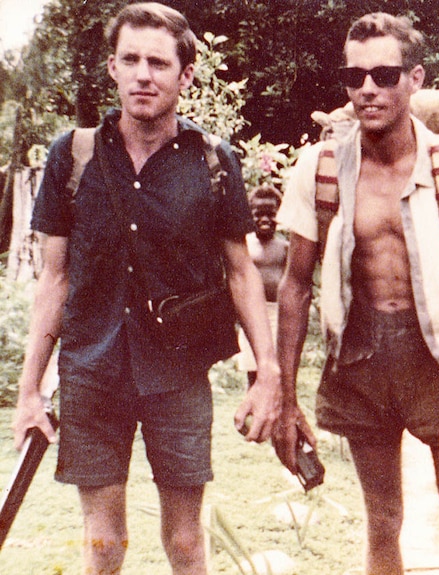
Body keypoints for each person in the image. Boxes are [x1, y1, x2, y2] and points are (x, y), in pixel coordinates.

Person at [12, 4, 282, 574]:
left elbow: (241, 273)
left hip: (179, 374)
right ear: (111, 68)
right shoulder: (73, 155)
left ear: (185, 75)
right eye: (130, 59)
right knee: (103, 545)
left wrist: (269, 373)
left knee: (186, 543)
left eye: (158, 63)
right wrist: (29, 389)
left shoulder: (213, 161)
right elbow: (54, 279)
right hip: (91, 370)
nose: (143, 74)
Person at [273, 12, 439, 575]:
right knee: (382, 524)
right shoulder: (320, 167)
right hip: (360, 359)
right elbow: (295, 284)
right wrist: (284, 396)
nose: (368, 89)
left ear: (415, 78)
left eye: (384, 74)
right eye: (355, 77)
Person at [237, 184, 288, 386]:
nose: (265, 219)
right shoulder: (245, 245)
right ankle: (253, 410)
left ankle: (278, 413)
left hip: (277, 315)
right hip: (252, 314)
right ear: (250, 215)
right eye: (258, 214)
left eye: (271, 214)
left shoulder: (285, 248)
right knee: (254, 368)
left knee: (277, 369)